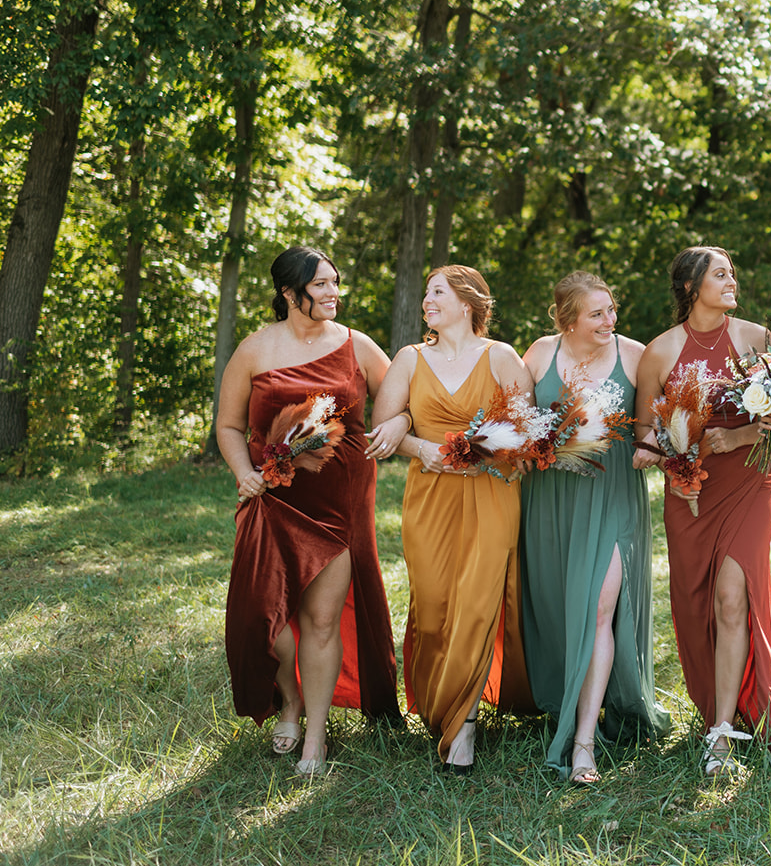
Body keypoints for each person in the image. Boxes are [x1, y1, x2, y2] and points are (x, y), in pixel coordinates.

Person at [217, 246, 404, 777]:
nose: (332, 293)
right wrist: (243, 471)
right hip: (271, 499)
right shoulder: (254, 350)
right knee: (262, 616)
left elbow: (402, 396)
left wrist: (398, 422)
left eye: (335, 283)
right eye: (321, 285)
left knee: (321, 619)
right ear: (288, 292)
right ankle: (290, 699)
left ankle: (314, 736)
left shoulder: (357, 346)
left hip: (337, 504)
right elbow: (229, 426)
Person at [369, 265, 533, 774]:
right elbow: (381, 430)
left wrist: (489, 449)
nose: (427, 301)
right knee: (436, 601)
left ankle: (463, 727)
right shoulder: (409, 358)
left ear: (468, 302)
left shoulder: (501, 356)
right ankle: (440, 703)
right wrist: (418, 442)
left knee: (479, 600)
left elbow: (528, 428)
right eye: (425, 294)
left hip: (491, 492)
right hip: (430, 495)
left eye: (437, 292)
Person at [519, 272, 671, 783]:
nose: (610, 321)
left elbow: (653, 426)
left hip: (611, 499)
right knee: (565, 608)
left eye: (611, 310)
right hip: (550, 500)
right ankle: (566, 699)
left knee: (600, 606)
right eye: (597, 313)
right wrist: (541, 445)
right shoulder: (539, 354)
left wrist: (654, 445)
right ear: (567, 320)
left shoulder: (635, 356)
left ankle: (583, 742)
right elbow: (520, 427)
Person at [633, 246, 771, 775]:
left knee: (732, 597)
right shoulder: (660, 352)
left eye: (733, 273)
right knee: (697, 606)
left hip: (745, 483)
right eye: (721, 274)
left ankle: (722, 729)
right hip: (689, 492)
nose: (732, 281)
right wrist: (676, 456)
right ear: (693, 287)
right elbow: (647, 429)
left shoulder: (757, 340)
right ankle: (712, 703)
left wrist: (732, 435)